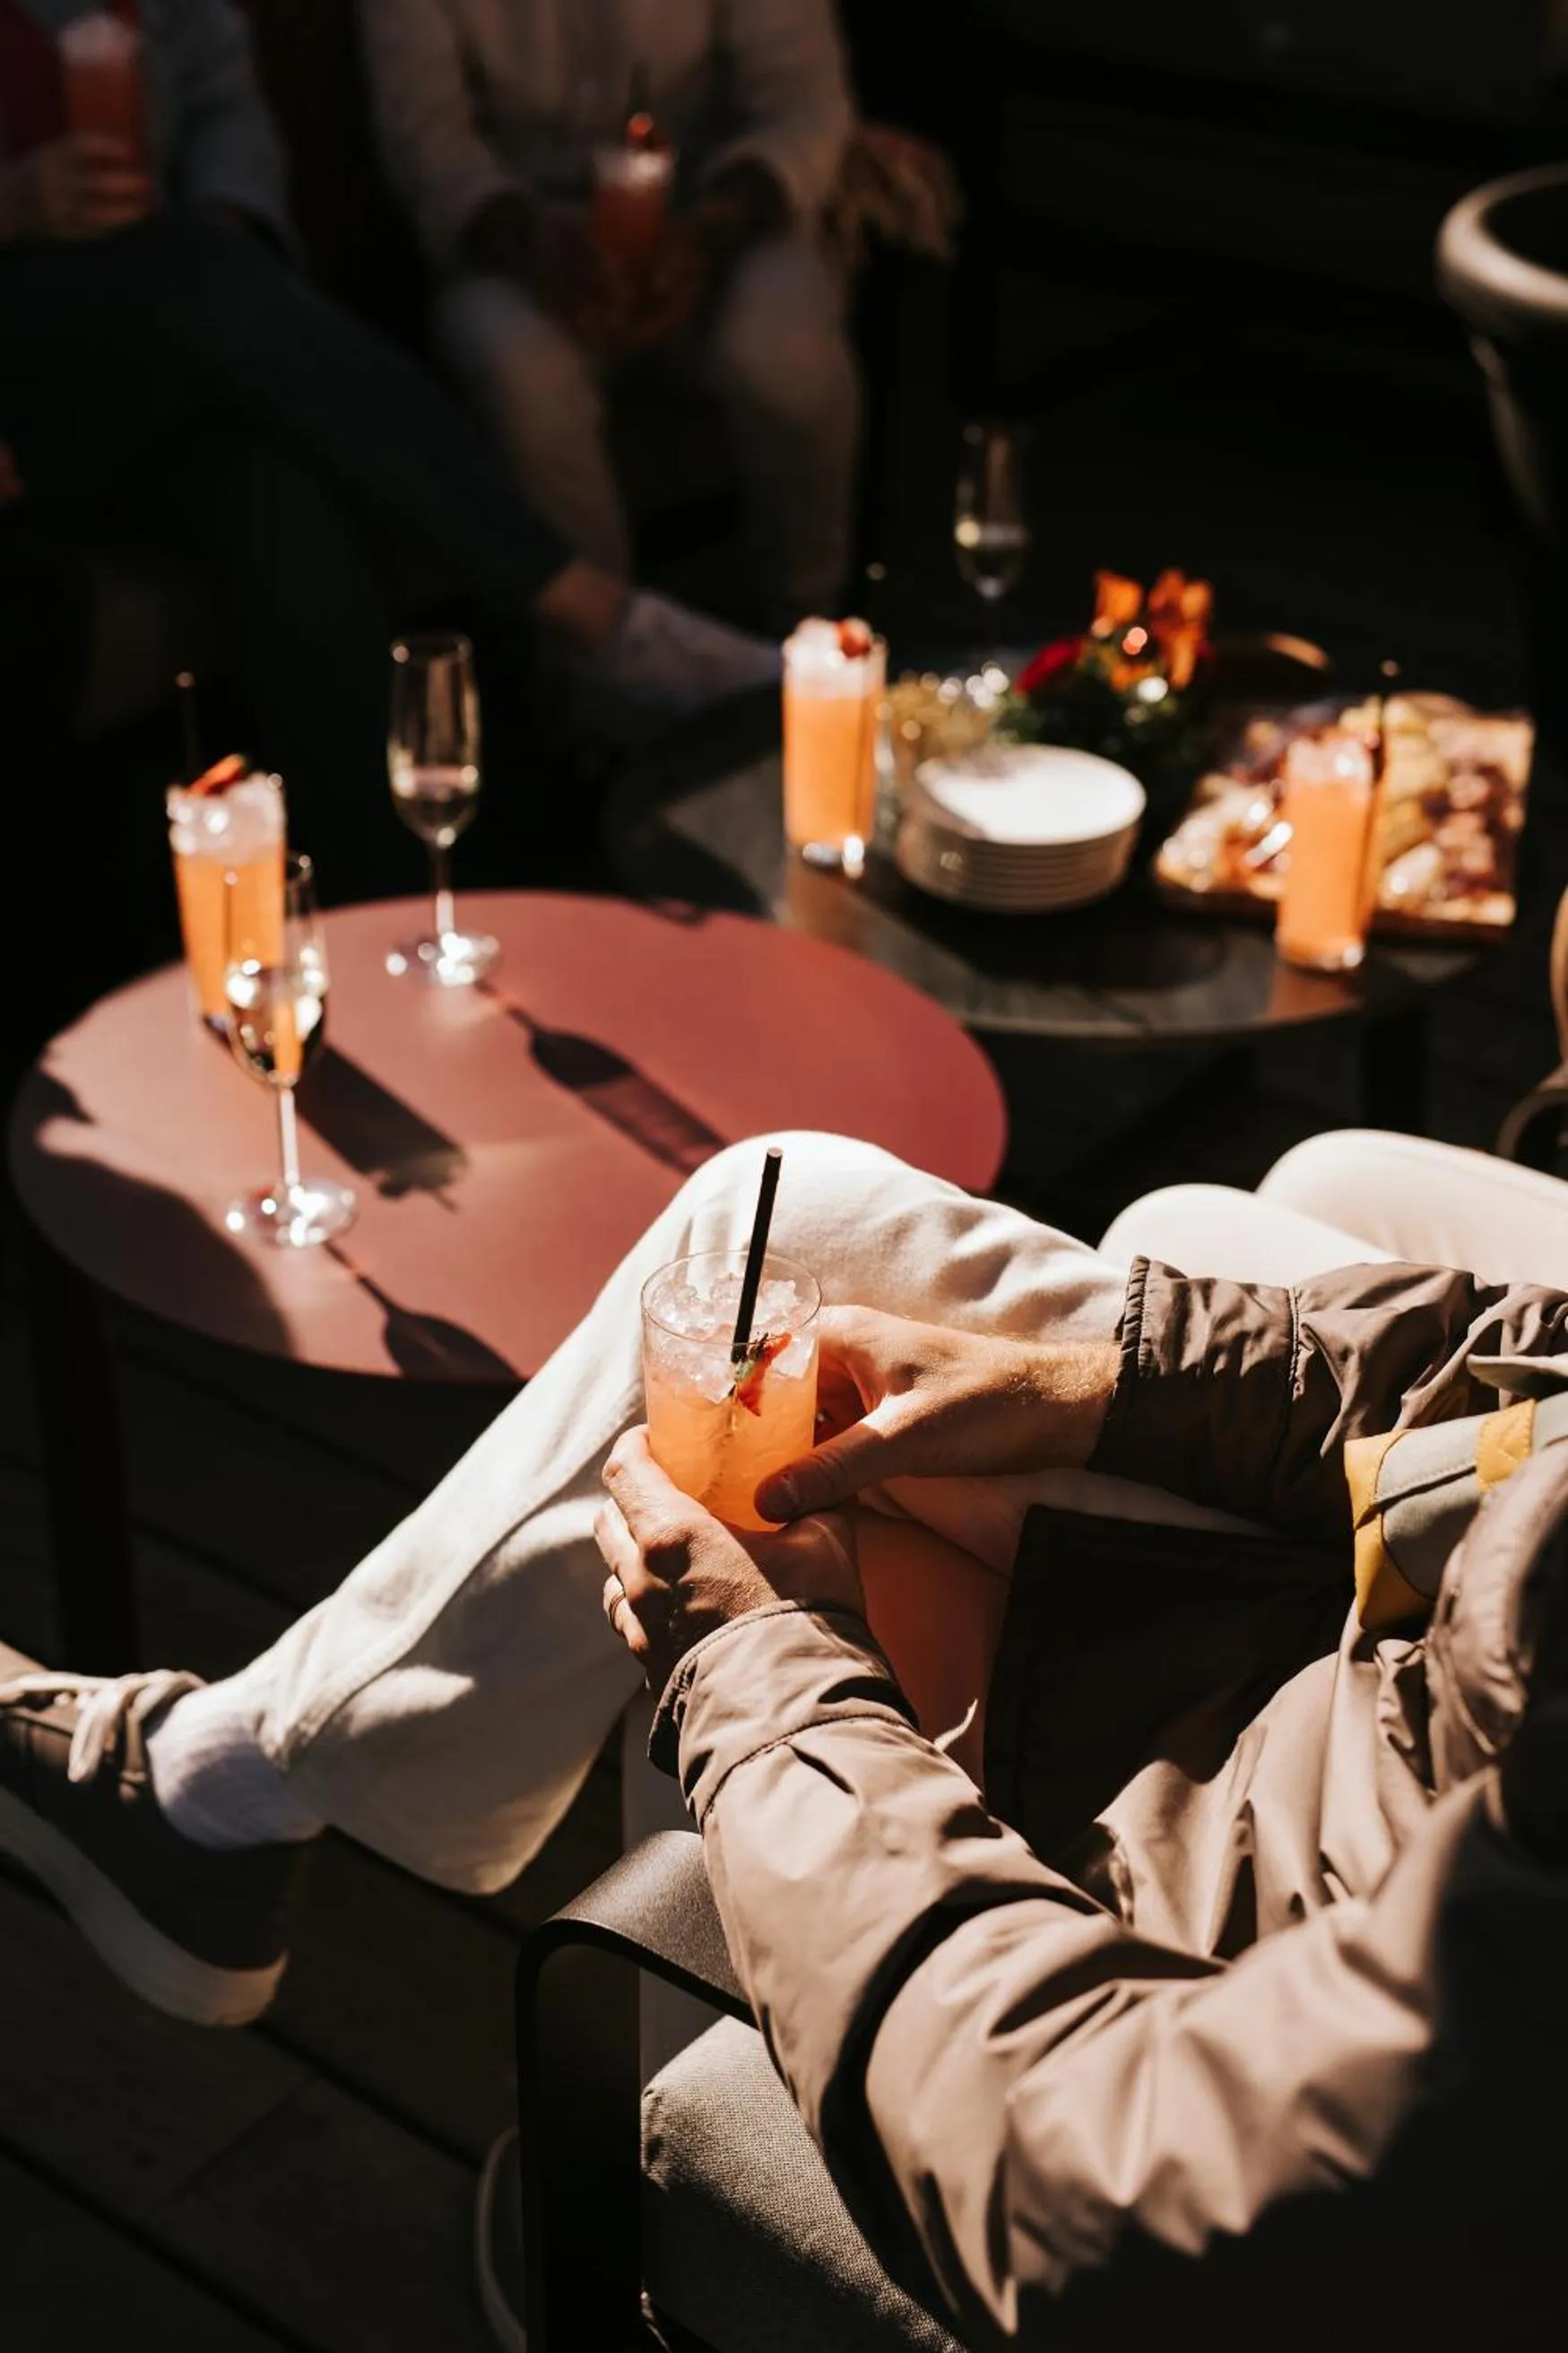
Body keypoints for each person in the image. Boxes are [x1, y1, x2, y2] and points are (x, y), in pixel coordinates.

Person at [2, 1128, 1566, 2344]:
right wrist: (1094, 1384)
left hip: (1260, 1889)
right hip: (1403, 1648)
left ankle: (218, 1808)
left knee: (751, 1391)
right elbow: (1523, 1384)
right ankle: (223, 1787)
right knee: (787, 1245)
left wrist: (758, 1676)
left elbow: (1102, 2185)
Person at [0, 0, 779, 901]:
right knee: (189, 277)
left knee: (271, 491)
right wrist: (15, 202)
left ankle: (398, 917)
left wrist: (232, 224)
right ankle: (599, 615)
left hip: (152, 355)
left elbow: (222, 105)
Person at [360, 0, 860, 629]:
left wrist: (708, 233)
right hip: (519, 236)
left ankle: (808, 630)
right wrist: (532, 244)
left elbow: (802, 105)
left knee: (785, 349)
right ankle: (606, 660)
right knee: (520, 371)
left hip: (716, 216)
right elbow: (427, 141)